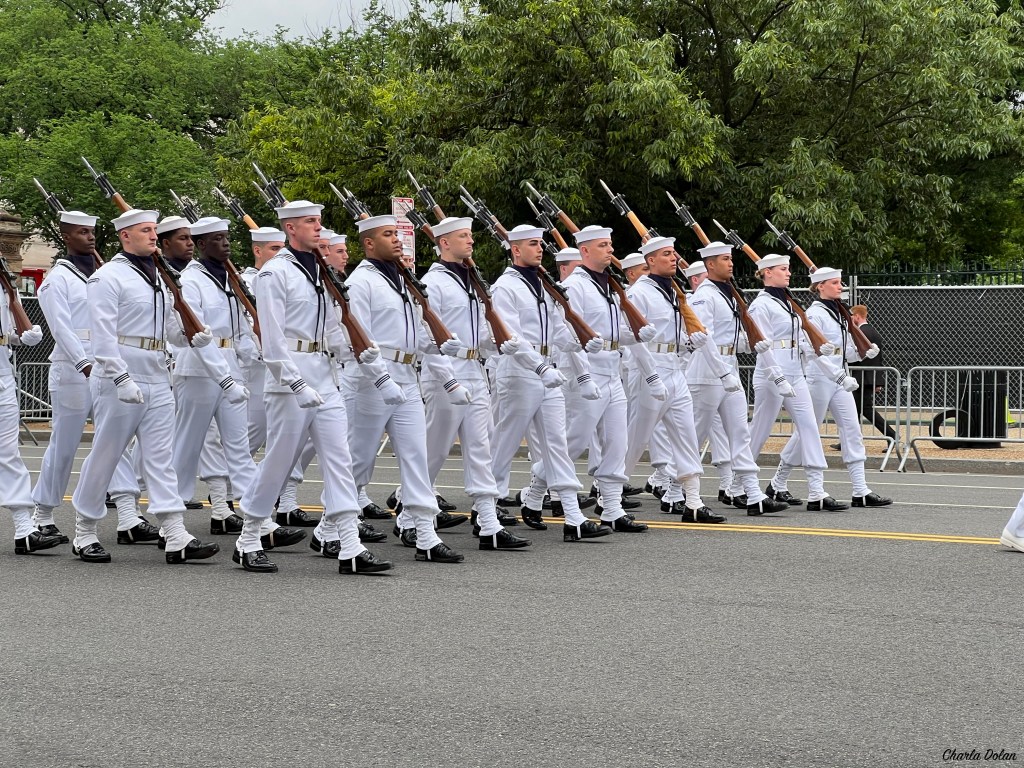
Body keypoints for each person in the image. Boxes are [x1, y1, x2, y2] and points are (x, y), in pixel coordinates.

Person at [235, 200, 391, 574]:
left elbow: (333, 327)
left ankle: (349, 546)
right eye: (310, 221)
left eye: (319, 221)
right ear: (290, 228)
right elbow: (271, 340)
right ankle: (249, 538)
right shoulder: (275, 273)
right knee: (279, 461)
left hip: (324, 374)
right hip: (292, 379)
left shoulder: (320, 270)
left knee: (340, 460)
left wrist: (359, 354)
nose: (318, 227)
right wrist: (296, 383)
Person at [71, 208, 221, 564]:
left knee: (160, 457)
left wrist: (190, 337)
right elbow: (102, 336)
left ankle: (175, 533)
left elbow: (167, 330)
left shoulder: (158, 276)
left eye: (154, 230)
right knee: (107, 454)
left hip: (156, 371)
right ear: (125, 236)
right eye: (145, 231)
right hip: (120, 374)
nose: (154, 236)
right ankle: (84, 530)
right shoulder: (107, 278)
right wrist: (120, 377)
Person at [343, 214, 468, 562]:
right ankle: (331, 529)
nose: (397, 239)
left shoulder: (402, 281)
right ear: (369, 243)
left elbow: (415, 335)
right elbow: (359, 337)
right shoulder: (360, 282)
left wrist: (441, 348)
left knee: (416, 458)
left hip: (407, 376)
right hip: (371, 380)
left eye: (397, 234)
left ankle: (425, 534)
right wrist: (382, 379)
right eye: (388, 234)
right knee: (359, 461)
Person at [32, 210, 147, 545]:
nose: (90, 237)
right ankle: (43, 514)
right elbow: (61, 328)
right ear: (66, 237)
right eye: (82, 232)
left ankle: (128, 514)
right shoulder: (57, 279)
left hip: (107, 365)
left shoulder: (103, 275)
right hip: (73, 369)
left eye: (91, 231)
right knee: (65, 445)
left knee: (114, 440)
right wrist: (84, 363)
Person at [490, 225, 611, 541]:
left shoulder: (542, 285)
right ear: (516, 249)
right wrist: (540, 367)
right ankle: (485, 511)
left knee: (557, 444)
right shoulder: (505, 287)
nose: (540, 248)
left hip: (548, 372)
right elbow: (511, 336)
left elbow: (557, 328)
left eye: (541, 243)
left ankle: (573, 517)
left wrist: (579, 342)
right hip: (519, 372)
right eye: (533, 243)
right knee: (504, 445)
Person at [418, 216, 530, 550]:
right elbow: (428, 336)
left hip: (474, 369)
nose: (471, 241)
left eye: (470, 235)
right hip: (446, 373)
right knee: (434, 451)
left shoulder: (470, 280)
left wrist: (497, 343)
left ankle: (488, 522)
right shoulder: (432, 282)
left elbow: (479, 329)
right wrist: (449, 381)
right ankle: (411, 517)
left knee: (481, 448)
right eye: (463, 236)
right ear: (444, 243)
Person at [621, 236, 719, 523]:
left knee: (687, 437)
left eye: (674, 253)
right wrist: (652, 376)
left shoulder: (673, 291)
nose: (674, 258)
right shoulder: (639, 293)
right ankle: (609, 496)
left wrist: (689, 344)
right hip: (649, 370)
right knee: (636, 440)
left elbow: (674, 336)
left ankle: (694, 502)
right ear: (650, 260)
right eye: (666, 254)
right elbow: (632, 337)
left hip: (675, 369)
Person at [687, 241, 788, 517]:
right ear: (710, 265)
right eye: (724, 259)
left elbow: (729, 337)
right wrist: (721, 372)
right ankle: (674, 492)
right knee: (694, 437)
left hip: (729, 368)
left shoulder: (729, 293)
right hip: (707, 373)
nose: (731, 263)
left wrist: (750, 343)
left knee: (740, 434)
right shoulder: (704, 295)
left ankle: (753, 495)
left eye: (730, 258)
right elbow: (703, 337)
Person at [778, 269, 891, 508]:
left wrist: (863, 353)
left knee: (852, 430)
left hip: (840, 378)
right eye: (835, 283)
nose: (840, 287)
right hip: (820, 378)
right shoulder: (814, 314)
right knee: (807, 432)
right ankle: (780, 482)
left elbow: (845, 350)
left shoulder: (839, 312)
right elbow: (814, 352)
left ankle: (860, 490)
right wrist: (839, 375)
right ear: (820, 286)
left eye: (840, 283)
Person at [746, 254, 849, 512]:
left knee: (810, 428)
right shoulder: (761, 305)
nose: (789, 273)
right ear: (767, 272)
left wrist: (834, 371)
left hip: (795, 373)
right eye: (783, 269)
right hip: (771, 375)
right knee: (759, 432)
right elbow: (762, 345)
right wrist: (777, 376)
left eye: (788, 268)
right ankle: (739, 486)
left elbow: (803, 343)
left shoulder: (789, 303)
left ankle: (817, 491)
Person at [848, 304, 899, 446]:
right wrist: (877, 379)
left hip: (861, 377)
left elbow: (857, 356)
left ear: (857, 316)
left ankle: (892, 436)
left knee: (860, 409)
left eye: (851, 316)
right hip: (868, 377)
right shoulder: (873, 332)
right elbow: (878, 358)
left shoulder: (860, 332)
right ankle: (850, 440)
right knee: (860, 409)